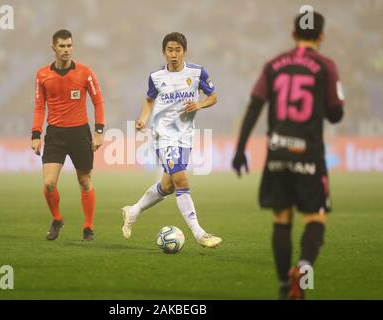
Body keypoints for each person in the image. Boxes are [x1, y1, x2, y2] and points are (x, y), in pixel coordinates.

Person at [231, 11, 344, 299]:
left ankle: (284, 287)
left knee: (282, 219)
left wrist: (241, 148)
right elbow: (335, 113)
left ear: (293, 35)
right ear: (321, 36)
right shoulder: (326, 66)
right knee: (315, 218)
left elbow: (255, 105)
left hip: (278, 151)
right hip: (308, 152)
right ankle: (303, 274)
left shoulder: (274, 65)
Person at [121, 32, 222, 248]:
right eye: (170, 50)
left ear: (184, 51)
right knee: (181, 181)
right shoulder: (156, 77)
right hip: (163, 135)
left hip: (185, 136)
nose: (174, 54)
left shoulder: (196, 73)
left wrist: (200, 104)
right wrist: (143, 119)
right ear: (163, 52)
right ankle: (199, 233)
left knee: (167, 186)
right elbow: (149, 100)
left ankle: (133, 210)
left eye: (178, 50)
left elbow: (213, 97)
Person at [31, 29, 105, 241]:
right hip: (55, 134)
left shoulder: (85, 72)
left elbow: (98, 101)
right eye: (61, 46)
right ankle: (57, 219)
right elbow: (39, 107)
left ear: (73, 46)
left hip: (80, 133)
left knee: (84, 181)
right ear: (53, 48)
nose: (66, 50)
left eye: (69, 45)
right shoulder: (42, 75)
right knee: (49, 183)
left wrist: (99, 131)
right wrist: (36, 135)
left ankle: (88, 227)